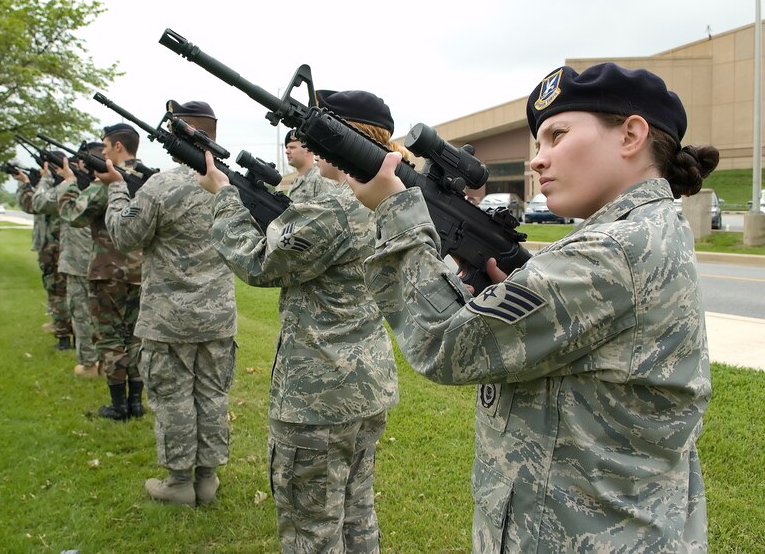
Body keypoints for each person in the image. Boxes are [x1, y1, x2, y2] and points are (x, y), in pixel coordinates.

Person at [347, 63, 718, 552]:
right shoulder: (643, 229)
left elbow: (442, 344)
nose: (538, 161)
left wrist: (394, 212)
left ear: (631, 134)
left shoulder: (612, 251)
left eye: (557, 135)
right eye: (538, 144)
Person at [197, 89, 399, 553]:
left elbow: (258, 263)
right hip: (365, 382)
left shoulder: (336, 202)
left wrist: (225, 197)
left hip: (317, 395)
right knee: (355, 510)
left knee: (311, 527)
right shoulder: (386, 194)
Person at [101, 100, 237, 507]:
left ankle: (179, 483)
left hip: (168, 318)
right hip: (217, 317)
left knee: (175, 397)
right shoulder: (228, 186)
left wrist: (115, 190)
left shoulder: (161, 186)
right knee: (212, 395)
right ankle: (207, 479)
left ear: (182, 137)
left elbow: (125, 236)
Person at [58, 124, 146, 421]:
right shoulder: (150, 178)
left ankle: (118, 405)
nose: (103, 151)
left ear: (118, 147)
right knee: (136, 337)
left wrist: (70, 183)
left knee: (110, 338)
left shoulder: (107, 180)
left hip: (108, 271)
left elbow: (73, 215)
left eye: (106, 146)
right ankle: (136, 401)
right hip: (141, 272)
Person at [30, 146, 102, 378]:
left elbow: (39, 203)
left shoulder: (81, 186)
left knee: (81, 313)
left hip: (80, 260)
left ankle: (90, 364)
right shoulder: (104, 185)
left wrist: (57, 180)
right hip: (102, 261)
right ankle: (102, 362)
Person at [13, 164, 72, 351]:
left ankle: (64, 336)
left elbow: (33, 204)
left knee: (58, 292)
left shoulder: (59, 190)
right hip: (59, 248)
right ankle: (66, 332)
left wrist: (37, 181)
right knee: (61, 293)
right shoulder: (64, 188)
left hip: (56, 248)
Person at [283, 129, 334, 203]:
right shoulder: (296, 181)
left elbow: (330, 210)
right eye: (287, 148)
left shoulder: (320, 179)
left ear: (308, 150)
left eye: (292, 147)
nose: (287, 151)